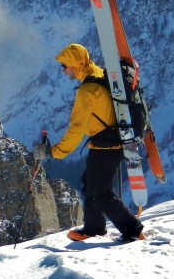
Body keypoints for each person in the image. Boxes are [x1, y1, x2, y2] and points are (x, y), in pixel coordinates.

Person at [34, 43, 145, 242]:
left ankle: (132, 229)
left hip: (107, 146)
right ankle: (93, 228)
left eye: (64, 66)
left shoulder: (87, 91)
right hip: (111, 141)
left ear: (74, 65)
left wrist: (54, 152)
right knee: (90, 185)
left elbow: (76, 130)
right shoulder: (101, 74)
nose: (63, 70)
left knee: (99, 192)